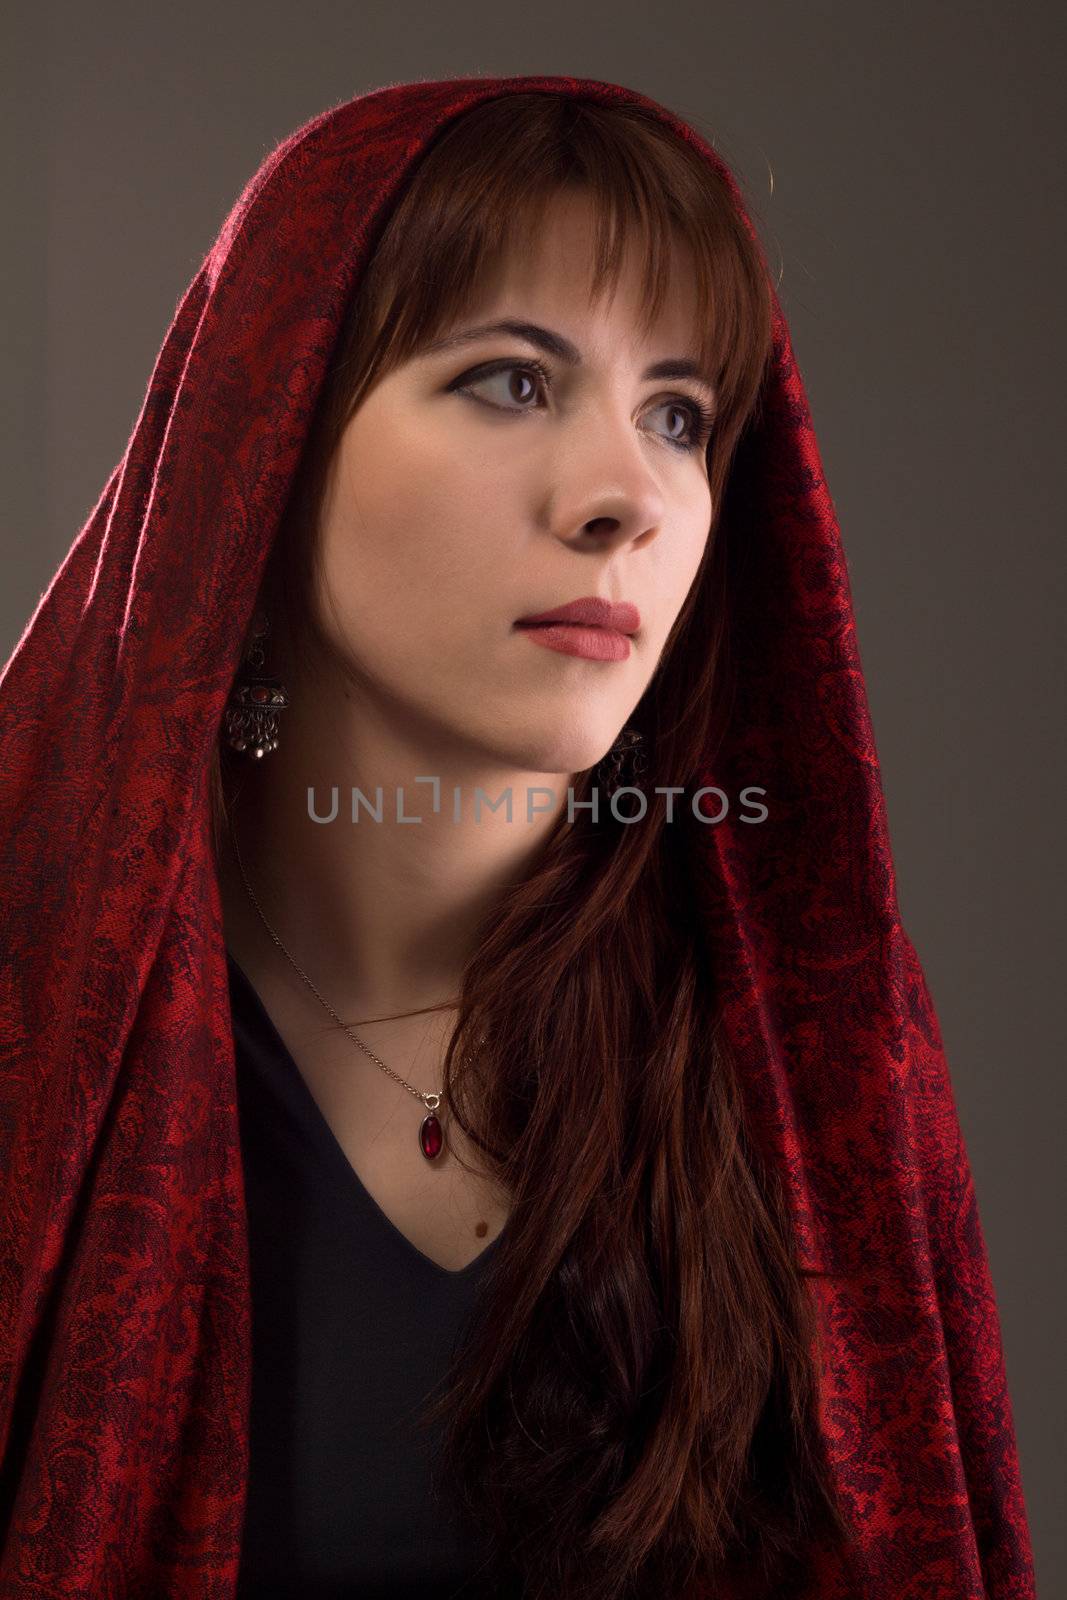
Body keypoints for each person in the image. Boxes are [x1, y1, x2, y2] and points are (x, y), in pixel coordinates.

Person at [0, 74, 1035, 1600]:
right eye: (511, 380)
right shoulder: (44, 1015)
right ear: (271, 440)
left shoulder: (816, 1045)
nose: (630, 496)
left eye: (679, 413)